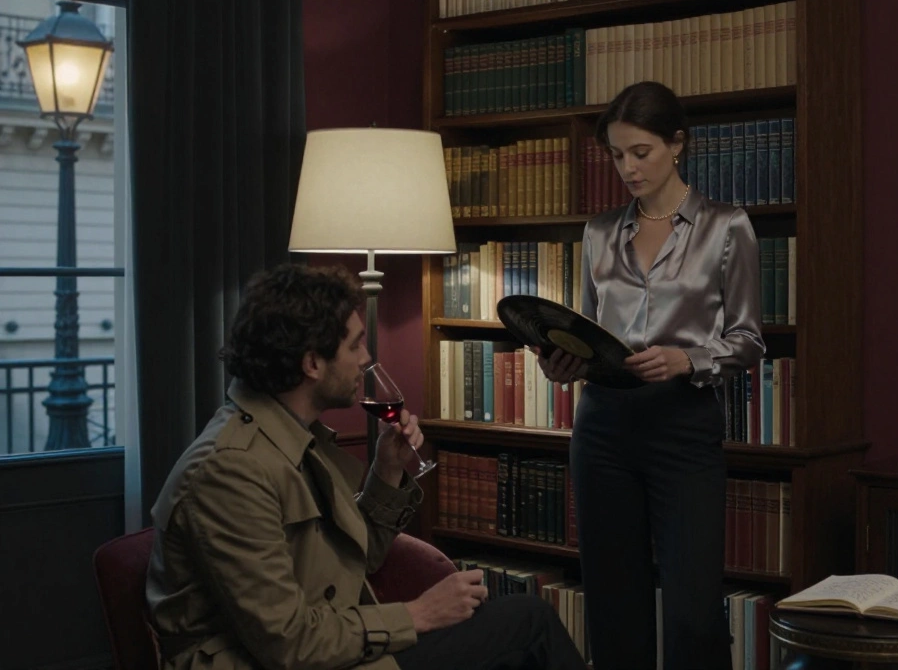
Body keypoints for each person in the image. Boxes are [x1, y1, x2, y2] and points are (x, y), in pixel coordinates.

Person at [146, 263, 587, 670]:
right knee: (527, 621)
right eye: (355, 344)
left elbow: (349, 562)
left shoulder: (291, 437)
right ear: (312, 363)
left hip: (328, 646)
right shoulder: (231, 471)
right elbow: (287, 644)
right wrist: (418, 614)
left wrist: (386, 472)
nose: (365, 359)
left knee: (518, 623)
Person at [536, 81, 765, 670]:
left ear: (677, 144)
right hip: (602, 429)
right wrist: (560, 363)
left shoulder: (726, 227)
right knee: (614, 607)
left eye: (641, 152)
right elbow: (587, 332)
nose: (627, 168)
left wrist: (688, 359)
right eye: (616, 155)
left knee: (692, 611)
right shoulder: (597, 232)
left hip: (683, 427)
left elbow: (747, 339)